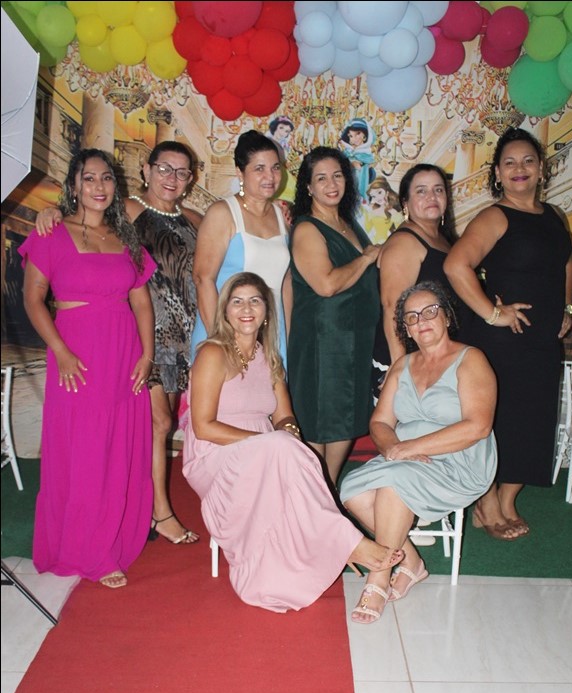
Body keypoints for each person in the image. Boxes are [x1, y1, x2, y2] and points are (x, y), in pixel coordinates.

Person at [182, 272, 403, 613]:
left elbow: (285, 416)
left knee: (296, 451)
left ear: (266, 311)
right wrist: (271, 442)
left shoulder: (268, 356)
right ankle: (347, 541)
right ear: (225, 311)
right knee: (284, 449)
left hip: (265, 452)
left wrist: (288, 435)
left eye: (254, 301)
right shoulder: (213, 353)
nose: (246, 309)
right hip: (216, 455)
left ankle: (339, 542)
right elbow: (203, 427)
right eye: (237, 301)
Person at [35, 140, 203, 546]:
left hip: (180, 337)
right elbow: (84, 214)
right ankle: (158, 511)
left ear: (190, 179)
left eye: (181, 172)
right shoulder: (127, 209)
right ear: (146, 170)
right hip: (141, 334)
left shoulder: (193, 218)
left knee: (153, 426)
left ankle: (137, 508)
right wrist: (51, 211)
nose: (172, 178)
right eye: (164, 168)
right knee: (157, 424)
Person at [20, 148, 157, 589]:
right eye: (89, 178)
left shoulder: (125, 237)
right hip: (76, 354)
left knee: (117, 447)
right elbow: (33, 298)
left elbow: (141, 301)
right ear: (74, 186)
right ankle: (87, 548)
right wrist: (59, 350)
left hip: (124, 353)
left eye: (107, 178)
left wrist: (147, 355)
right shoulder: (51, 232)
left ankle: (110, 538)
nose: (99, 186)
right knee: (82, 450)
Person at [444, 127, 572, 539]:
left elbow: (567, 262)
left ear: (541, 169)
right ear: (498, 174)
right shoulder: (495, 216)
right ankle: (485, 503)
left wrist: (568, 308)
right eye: (510, 163)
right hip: (503, 343)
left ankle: (507, 499)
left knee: (533, 420)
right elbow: (456, 266)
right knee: (498, 421)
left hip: (542, 342)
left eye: (528, 161)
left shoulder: (554, 216)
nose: (520, 169)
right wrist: (491, 313)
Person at [339, 281, 498, 623]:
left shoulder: (471, 360)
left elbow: (478, 427)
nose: (421, 320)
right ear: (406, 329)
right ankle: (410, 561)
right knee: (351, 490)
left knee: (395, 483)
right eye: (411, 317)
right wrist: (393, 449)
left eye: (429, 311)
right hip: (405, 457)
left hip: (459, 459)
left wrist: (409, 449)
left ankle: (379, 578)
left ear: (446, 316)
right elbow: (380, 422)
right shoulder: (403, 366)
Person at [287, 146, 382, 486]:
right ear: (308, 187)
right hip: (322, 341)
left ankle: (326, 490)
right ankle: (314, 496)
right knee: (318, 420)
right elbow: (326, 285)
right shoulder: (307, 229)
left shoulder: (347, 224)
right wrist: (367, 258)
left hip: (354, 340)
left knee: (345, 418)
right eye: (321, 178)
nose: (331, 184)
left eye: (338, 175)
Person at [190, 130, 291, 368]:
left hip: (272, 333)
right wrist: (222, 342)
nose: (270, 176)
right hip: (225, 329)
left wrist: (285, 337)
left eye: (275, 168)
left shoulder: (282, 216)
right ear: (240, 172)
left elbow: (285, 283)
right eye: (259, 168)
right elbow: (203, 279)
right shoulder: (222, 212)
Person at [376, 163, 458, 374]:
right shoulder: (404, 242)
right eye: (421, 191)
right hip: (415, 364)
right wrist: (401, 371)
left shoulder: (443, 240)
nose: (432, 197)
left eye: (438, 190)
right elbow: (391, 307)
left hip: (438, 358)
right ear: (405, 203)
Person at [338, 117, 376, 201]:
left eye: (357, 134)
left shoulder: (366, 154)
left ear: (365, 136)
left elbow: (367, 171)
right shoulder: (346, 153)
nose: (354, 138)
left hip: (360, 186)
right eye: (351, 136)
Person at [359, 175, 403, 246]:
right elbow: (366, 229)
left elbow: (400, 229)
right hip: (374, 243)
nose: (377, 198)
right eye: (373, 196)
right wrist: (364, 211)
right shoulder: (372, 212)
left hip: (388, 243)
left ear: (387, 192)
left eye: (379, 192)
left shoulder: (393, 212)